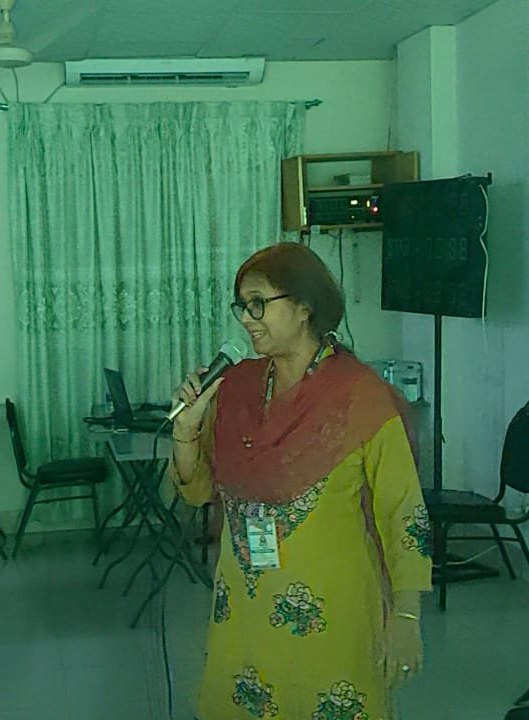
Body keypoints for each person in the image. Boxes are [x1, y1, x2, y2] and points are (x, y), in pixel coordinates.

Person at [171, 242, 432, 720]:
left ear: (304, 307)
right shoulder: (235, 389)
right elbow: (197, 489)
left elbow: (404, 513)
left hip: (331, 614)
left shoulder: (360, 397)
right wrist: (186, 430)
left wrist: (407, 617)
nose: (246, 319)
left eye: (258, 304)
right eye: (241, 306)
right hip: (245, 610)